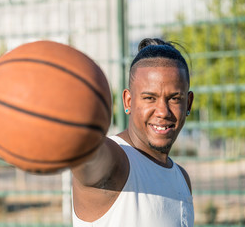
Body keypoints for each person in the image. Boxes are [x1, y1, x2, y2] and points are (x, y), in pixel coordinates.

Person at [71, 38, 195, 226]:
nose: (162, 111)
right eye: (149, 98)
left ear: (189, 103)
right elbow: (84, 151)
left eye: (174, 98)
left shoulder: (182, 179)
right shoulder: (115, 163)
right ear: (128, 101)